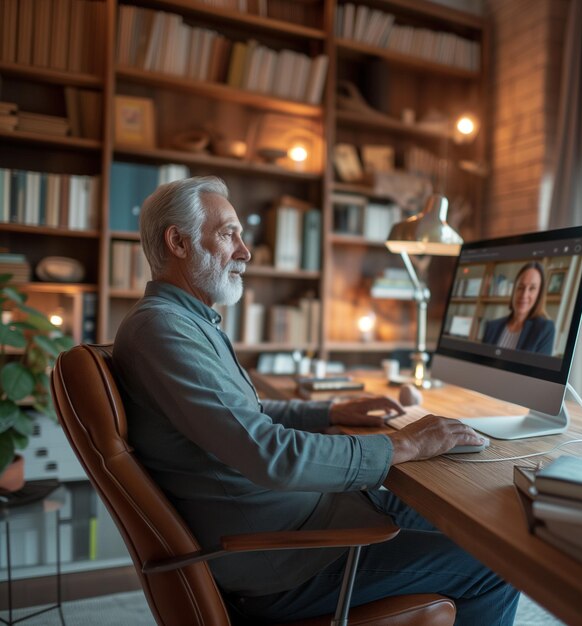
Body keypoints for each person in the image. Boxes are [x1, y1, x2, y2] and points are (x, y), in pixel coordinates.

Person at [112, 177, 519, 625]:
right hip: (286, 559)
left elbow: (248, 418)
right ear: (179, 242)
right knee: (495, 565)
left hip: (306, 519)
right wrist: (405, 446)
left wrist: (330, 411)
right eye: (229, 233)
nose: (245, 251)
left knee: (469, 531)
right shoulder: (164, 331)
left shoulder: (186, 322)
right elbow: (270, 454)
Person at [482, 261, 556, 355]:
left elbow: (538, 369)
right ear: (514, 290)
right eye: (520, 287)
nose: (524, 295)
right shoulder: (491, 327)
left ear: (539, 294)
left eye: (532, 288)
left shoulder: (545, 329)